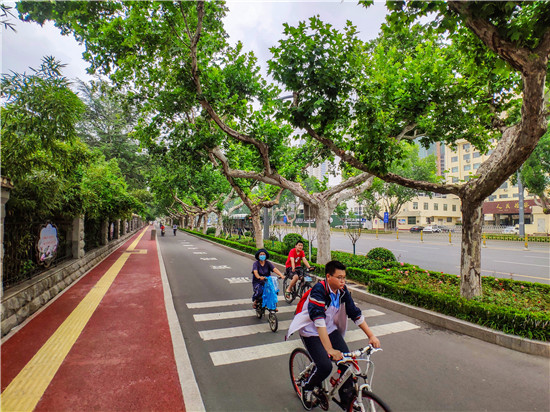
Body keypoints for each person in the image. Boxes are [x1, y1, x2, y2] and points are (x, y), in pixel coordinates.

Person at [285, 260, 380, 410]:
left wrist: (371, 336)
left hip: (329, 329)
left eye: (344, 277)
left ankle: (347, 399)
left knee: (347, 363)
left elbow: (354, 313)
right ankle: (307, 387)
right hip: (311, 331)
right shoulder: (319, 291)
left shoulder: (342, 291)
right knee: (325, 366)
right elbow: (318, 321)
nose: (343, 281)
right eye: (339, 277)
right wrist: (329, 350)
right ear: (328, 277)